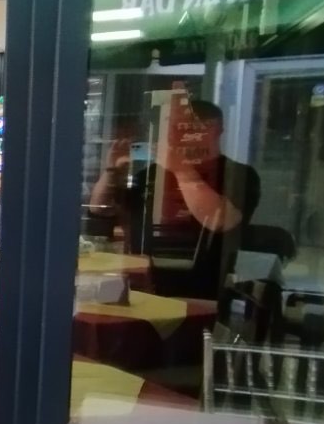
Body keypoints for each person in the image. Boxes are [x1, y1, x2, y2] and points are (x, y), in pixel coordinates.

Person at [89, 98, 260, 298]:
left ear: (215, 130)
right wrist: (111, 171)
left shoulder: (237, 174)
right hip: (142, 284)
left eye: (187, 129)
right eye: (173, 129)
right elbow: (99, 208)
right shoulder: (151, 174)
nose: (176, 136)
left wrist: (181, 169)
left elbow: (221, 220)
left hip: (206, 289)